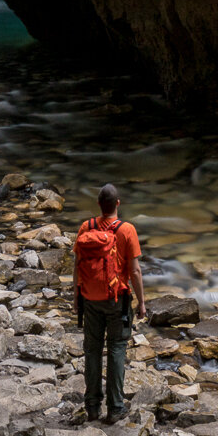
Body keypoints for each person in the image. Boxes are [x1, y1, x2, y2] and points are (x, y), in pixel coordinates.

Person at [74, 181, 143, 422]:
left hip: (90, 299)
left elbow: (77, 266)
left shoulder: (86, 227)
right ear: (117, 204)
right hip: (118, 300)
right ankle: (115, 408)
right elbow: (134, 272)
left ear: (99, 205)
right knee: (116, 349)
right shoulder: (127, 230)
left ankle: (92, 407)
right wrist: (142, 302)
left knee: (92, 350)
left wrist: (77, 298)